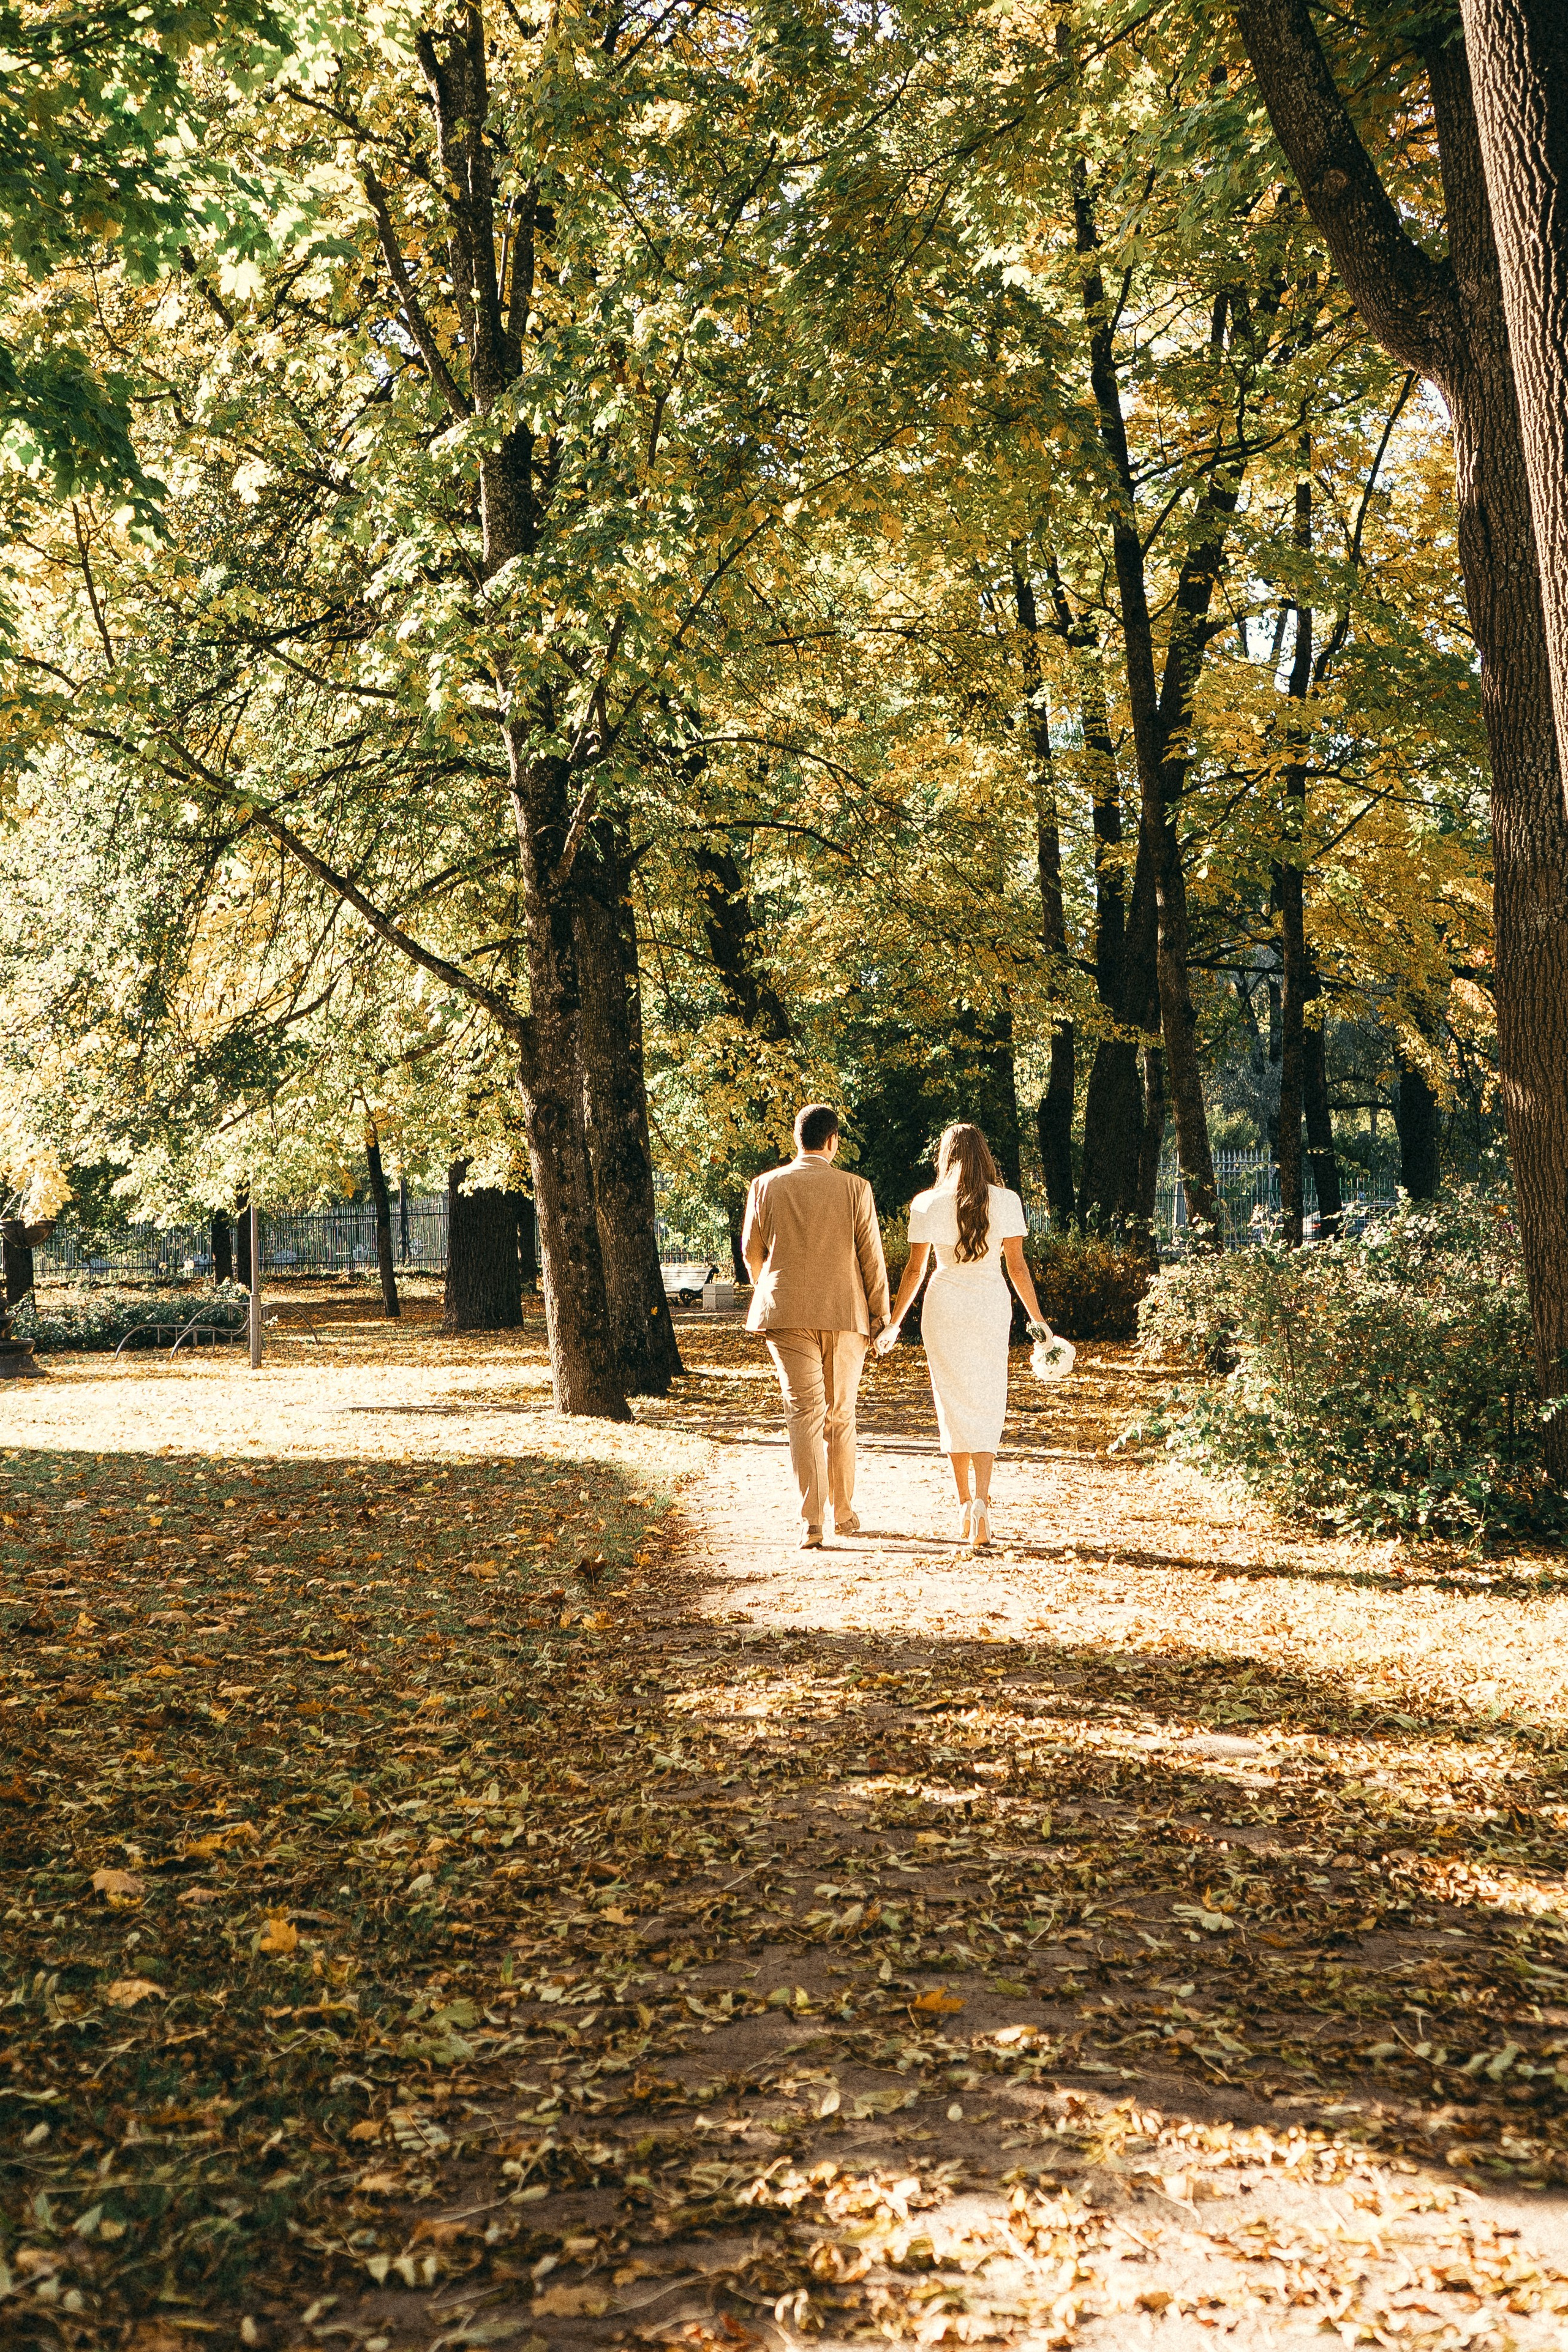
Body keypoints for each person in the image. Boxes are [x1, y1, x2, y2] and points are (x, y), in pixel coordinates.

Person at [877, 1122, 1054, 1549]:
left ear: (945, 1155)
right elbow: (1017, 1268)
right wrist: (1039, 1321)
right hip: (991, 1303)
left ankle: (962, 1506)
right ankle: (983, 1505)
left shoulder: (926, 1203)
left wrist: (894, 1323)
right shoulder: (1007, 1201)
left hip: (945, 1305)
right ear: (985, 1155)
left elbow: (915, 1270)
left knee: (952, 1399)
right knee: (989, 1396)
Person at [743, 1103, 890, 1549]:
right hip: (845, 1312)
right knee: (841, 1414)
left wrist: (766, 1289)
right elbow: (871, 1255)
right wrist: (882, 1314)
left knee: (803, 1412)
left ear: (797, 1139)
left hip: (786, 1313)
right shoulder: (855, 1188)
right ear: (833, 1141)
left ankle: (811, 1521)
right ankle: (843, 1513)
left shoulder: (765, 1185)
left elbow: (752, 1251)